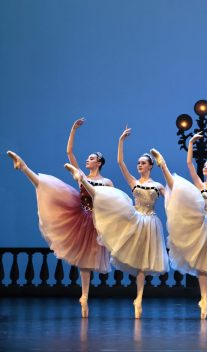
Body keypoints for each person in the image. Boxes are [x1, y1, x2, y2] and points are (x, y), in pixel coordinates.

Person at [6, 118, 111, 317]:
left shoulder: (106, 181)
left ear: (98, 162)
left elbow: (113, 202)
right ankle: (23, 166)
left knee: (87, 262)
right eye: (87, 158)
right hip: (80, 215)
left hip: (96, 220)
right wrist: (73, 129)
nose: (87, 160)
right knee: (48, 187)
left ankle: (85, 297)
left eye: (91, 158)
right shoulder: (82, 174)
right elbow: (69, 152)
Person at [65, 126, 168, 319]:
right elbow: (120, 162)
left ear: (150, 166)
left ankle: (138, 298)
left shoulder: (151, 185)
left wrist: (164, 166)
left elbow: (170, 197)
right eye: (138, 163)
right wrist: (120, 140)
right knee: (85, 261)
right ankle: (85, 295)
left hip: (145, 221)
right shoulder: (132, 182)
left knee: (141, 264)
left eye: (142, 163)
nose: (139, 165)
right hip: (97, 217)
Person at [150, 132, 207, 319]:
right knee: (201, 265)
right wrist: (191, 142)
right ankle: (204, 299)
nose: (205, 168)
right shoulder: (200, 185)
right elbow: (189, 165)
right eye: (205, 166)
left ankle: (205, 298)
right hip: (201, 225)